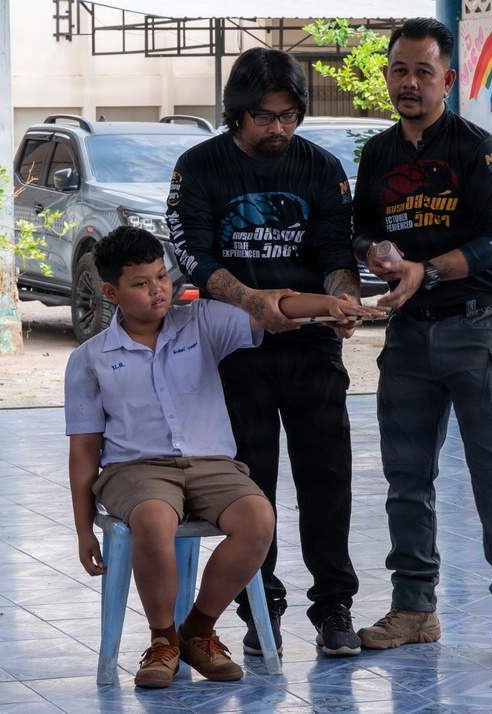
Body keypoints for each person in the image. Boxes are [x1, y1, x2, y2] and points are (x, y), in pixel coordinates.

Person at [66, 226, 381, 688]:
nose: (157, 290)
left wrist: (329, 306)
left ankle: (197, 630)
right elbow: (84, 448)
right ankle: (161, 640)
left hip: (212, 465)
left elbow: (273, 305)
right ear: (111, 292)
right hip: (134, 470)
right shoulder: (90, 358)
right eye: (141, 283)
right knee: (153, 521)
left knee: (258, 518)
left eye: (161, 277)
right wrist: (82, 529)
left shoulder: (201, 321)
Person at [352, 18, 492, 657]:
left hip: (479, 328)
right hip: (409, 338)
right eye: (399, 71)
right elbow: (357, 232)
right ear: (387, 76)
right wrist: (376, 251)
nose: (409, 83)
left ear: (447, 79)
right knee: (406, 478)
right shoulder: (379, 154)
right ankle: (414, 609)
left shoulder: (480, 149)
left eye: (423, 71)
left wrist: (427, 269)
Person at [166, 47, 365, 657]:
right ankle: (262, 609)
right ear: (237, 115)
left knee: (327, 481)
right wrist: (252, 301)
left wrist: (342, 299)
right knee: (252, 487)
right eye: (265, 117)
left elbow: (336, 252)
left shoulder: (321, 167)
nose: (279, 128)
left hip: (313, 352)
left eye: (289, 116)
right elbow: (192, 253)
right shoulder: (199, 167)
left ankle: (334, 606)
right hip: (236, 353)